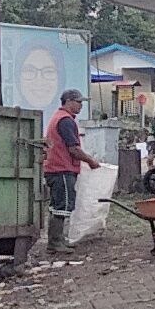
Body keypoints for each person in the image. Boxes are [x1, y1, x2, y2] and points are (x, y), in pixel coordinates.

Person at [42, 89, 100, 254]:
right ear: (68, 101)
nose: (81, 106)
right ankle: (55, 242)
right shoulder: (66, 121)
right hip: (62, 168)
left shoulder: (57, 118)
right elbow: (73, 149)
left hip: (55, 168)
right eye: (79, 102)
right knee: (63, 205)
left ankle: (58, 240)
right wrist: (90, 161)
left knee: (57, 205)